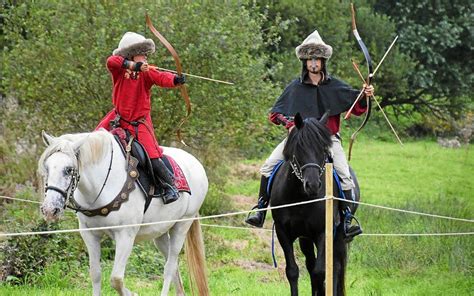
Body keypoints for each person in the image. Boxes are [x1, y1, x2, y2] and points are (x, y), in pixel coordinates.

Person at [245, 29, 374, 240]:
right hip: (298, 139)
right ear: (305, 62)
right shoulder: (295, 87)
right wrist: (289, 124)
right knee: (269, 166)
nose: (313, 63)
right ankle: (260, 210)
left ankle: (347, 219)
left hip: (327, 139)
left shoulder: (335, 86)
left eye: (317, 59)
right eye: (309, 59)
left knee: (344, 174)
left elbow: (357, 105)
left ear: (323, 61)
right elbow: (275, 113)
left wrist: (366, 95)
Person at [95, 32, 186, 204]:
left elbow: (161, 77)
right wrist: (134, 66)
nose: (145, 58)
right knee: (93, 143)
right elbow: (110, 61)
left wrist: (175, 79)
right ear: (130, 55)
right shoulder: (120, 70)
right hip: (118, 119)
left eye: (146, 54)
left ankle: (169, 187)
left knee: (152, 155)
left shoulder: (147, 72)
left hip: (140, 123)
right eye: (142, 54)